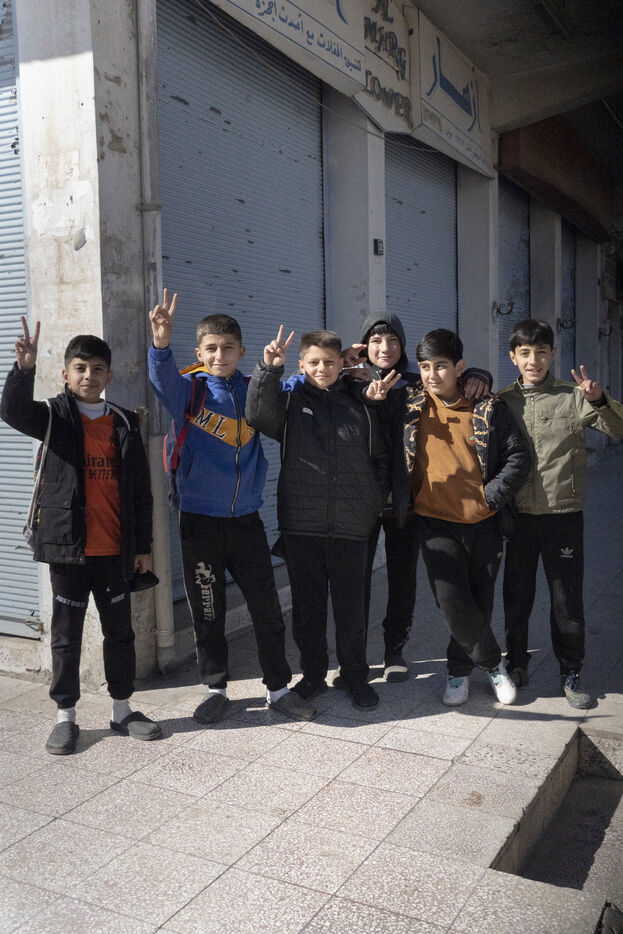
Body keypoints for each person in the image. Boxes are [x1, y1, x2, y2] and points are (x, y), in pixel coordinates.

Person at [148, 291, 315, 724]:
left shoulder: (254, 388)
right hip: (199, 521)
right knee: (208, 611)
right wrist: (160, 344)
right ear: (199, 353)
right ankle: (216, 689)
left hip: (246, 521)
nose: (219, 356)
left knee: (266, 609)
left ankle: (278, 689)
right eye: (211, 348)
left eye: (227, 348)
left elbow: (306, 381)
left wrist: (339, 361)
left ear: (242, 351)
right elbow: (162, 379)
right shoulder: (189, 390)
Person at [0, 319, 162, 754]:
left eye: (97, 369)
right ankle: (65, 718)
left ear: (109, 375)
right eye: (80, 368)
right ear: (66, 374)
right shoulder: (53, 416)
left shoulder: (125, 421)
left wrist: (143, 548)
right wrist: (24, 369)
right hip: (68, 551)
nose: (88, 375)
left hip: (115, 551)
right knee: (66, 636)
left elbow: (141, 492)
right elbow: (11, 410)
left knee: (120, 634)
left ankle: (122, 710)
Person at [337, 313, 492, 684]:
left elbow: (450, 378)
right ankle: (354, 659)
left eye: (392, 340)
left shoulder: (414, 382)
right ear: (363, 346)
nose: (384, 348)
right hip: (360, 500)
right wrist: (342, 364)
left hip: (404, 501)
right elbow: (309, 380)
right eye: (375, 341)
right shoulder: (346, 381)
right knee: (355, 582)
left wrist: (479, 374)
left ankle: (395, 651)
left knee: (402, 579)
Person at [379, 327, 529, 707]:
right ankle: (494, 666)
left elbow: (518, 457)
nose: (432, 375)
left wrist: (489, 498)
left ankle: (458, 672)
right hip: (434, 522)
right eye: (425, 366)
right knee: (452, 602)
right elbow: (368, 399)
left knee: (479, 601)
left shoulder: (488, 406)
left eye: (441, 366)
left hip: (484, 522)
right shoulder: (409, 404)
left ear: (460, 367)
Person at [245, 327, 393, 710]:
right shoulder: (291, 401)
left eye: (329, 361)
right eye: (313, 362)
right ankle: (312, 676)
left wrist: (371, 505)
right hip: (302, 526)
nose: (322, 368)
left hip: (351, 526)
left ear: (342, 363)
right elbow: (257, 414)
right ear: (301, 364)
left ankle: (355, 676)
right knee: (308, 610)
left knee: (351, 611)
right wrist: (268, 369)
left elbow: (381, 456)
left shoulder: (361, 401)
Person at [500, 318, 623, 708]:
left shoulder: (574, 396)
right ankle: (516, 664)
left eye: (541, 352)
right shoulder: (503, 401)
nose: (533, 361)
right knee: (516, 597)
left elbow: (618, 429)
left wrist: (600, 400)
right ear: (513, 357)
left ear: (553, 353)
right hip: (518, 515)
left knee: (566, 599)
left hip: (563, 514)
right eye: (525, 353)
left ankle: (571, 671)